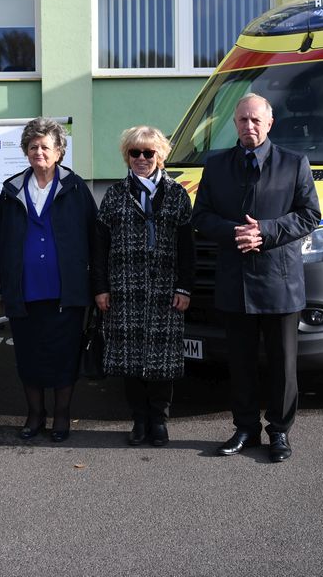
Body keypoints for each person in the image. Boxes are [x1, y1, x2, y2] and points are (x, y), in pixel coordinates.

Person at [192, 93, 320, 462]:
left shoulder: (294, 163)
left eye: (255, 121)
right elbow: (200, 217)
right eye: (242, 120)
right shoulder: (216, 165)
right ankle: (245, 428)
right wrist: (234, 231)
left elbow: (310, 215)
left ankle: (279, 432)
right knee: (241, 363)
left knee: (283, 365)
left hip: (280, 281)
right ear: (234, 123)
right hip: (235, 281)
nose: (248, 126)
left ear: (269, 123)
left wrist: (265, 231)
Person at [0, 118, 96, 443]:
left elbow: (94, 238)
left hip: (67, 291)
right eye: (32, 146)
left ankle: (62, 416)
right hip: (24, 291)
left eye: (45, 146)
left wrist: (99, 286)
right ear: (25, 151)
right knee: (29, 357)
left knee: (64, 357)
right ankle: (35, 415)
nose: (38, 152)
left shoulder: (76, 189)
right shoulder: (11, 190)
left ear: (59, 151)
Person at [92, 126, 194, 447]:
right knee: (130, 358)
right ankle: (138, 419)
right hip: (124, 291)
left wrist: (184, 287)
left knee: (162, 359)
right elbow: (100, 247)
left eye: (148, 153)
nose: (141, 159)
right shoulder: (113, 195)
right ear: (127, 156)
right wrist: (101, 288)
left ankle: (159, 420)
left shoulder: (177, 194)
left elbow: (187, 248)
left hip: (165, 291)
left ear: (160, 156)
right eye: (134, 153)